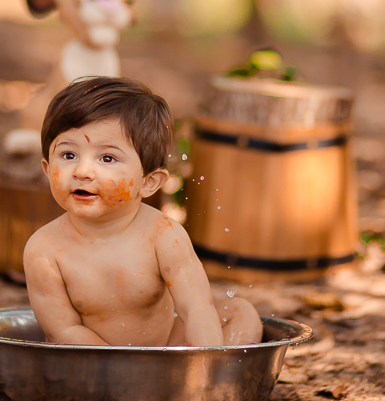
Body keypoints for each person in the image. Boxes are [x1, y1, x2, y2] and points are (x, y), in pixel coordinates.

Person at [23, 76, 263, 347]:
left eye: (107, 158)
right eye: (68, 155)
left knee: (239, 311)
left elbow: (196, 308)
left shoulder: (163, 235)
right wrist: (127, 372)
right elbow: (63, 331)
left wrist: (204, 367)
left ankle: (212, 383)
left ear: (148, 183)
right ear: (46, 169)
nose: (82, 171)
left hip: (165, 353)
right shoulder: (43, 250)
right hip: (92, 366)